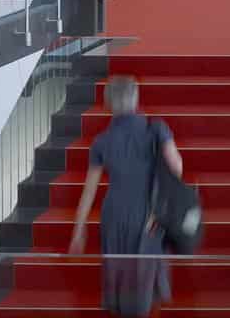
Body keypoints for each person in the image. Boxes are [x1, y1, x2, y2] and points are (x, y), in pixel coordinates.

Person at [70, 74, 184, 315]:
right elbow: (176, 169)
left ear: (108, 103)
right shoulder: (156, 129)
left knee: (119, 278)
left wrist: (79, 229)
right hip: (148, 214)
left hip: (114, 215)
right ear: (135, 98)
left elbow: (89, 191)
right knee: (143, 281)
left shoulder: (102, 141)